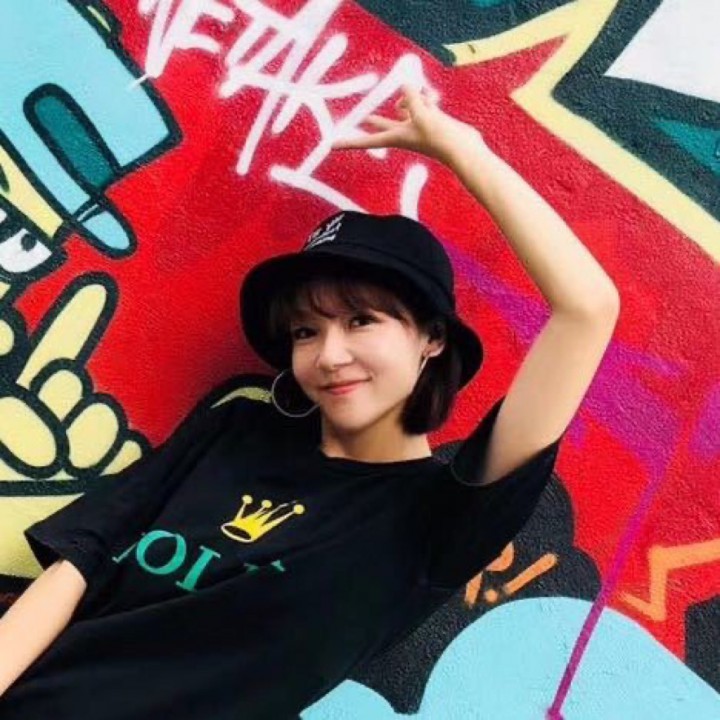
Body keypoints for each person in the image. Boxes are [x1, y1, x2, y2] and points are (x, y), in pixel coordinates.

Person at [0, 85, 619, 719]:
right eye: (305, 331)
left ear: (432, 338)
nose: (328, 355)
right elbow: (80, 565)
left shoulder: (440, 518)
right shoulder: (237, 431)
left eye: (361, 321)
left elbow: (588, 310)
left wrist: (464, 150)